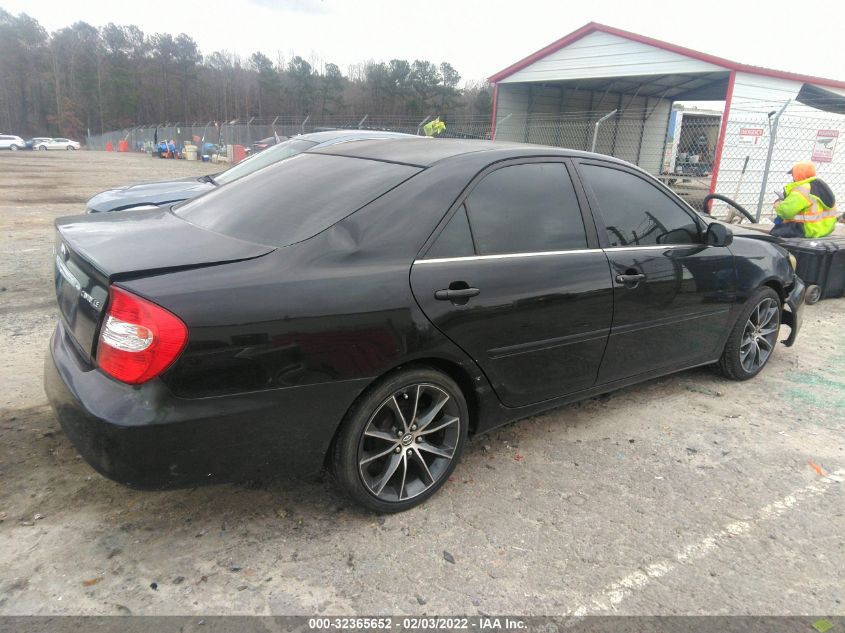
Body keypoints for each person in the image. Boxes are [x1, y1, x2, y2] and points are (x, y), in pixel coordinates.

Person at [770, 161, 837, 238]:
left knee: (774, 235)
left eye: (793, 175)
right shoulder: (822, 188)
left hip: (806, 230)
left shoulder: (802, 189)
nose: (793, 178)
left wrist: (778, 204)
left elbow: (785, 212)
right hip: (824, 230)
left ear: (799, 174)